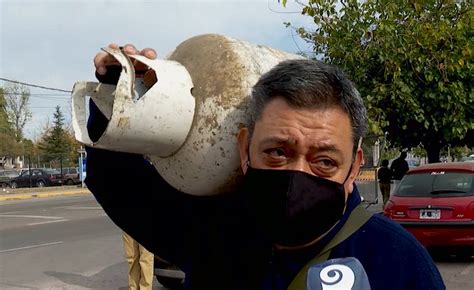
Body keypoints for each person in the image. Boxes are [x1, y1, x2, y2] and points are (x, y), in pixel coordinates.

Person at [86, 44, 445, 290]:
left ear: (353, 168)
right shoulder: (211, 231)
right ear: (245, 150)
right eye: (277, 152)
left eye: (324, 161)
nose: (296, 176)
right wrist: (119, 92)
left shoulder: (397, 260)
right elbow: (118, 182)